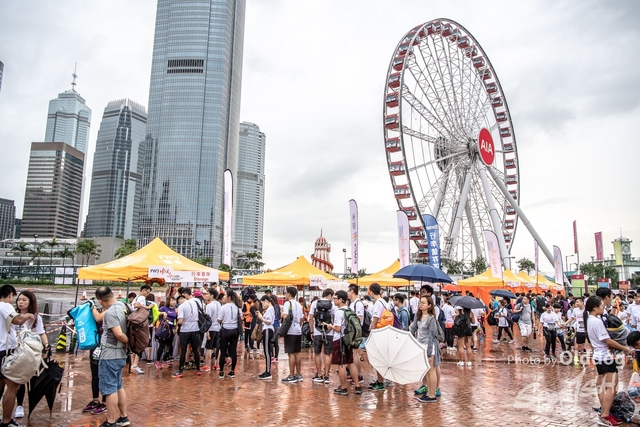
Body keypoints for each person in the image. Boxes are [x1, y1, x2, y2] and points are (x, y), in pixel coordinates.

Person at [586, 296, 633, 427]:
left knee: (604, 385)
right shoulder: (597, 322)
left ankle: (605, 411)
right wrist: (625, 348)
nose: (603, 307)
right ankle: (605, 415)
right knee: (611, 387)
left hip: (599, 355)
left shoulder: (589, 319)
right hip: (605, 356)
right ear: (595, 307)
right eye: (602, 305)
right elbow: (607, 340)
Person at [93, 286, 130, 427]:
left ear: (100, 301)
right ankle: (123, 417)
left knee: (109, 389)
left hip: (110, 354)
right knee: (118, 385)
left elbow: (119, 334)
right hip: (120, 354)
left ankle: (111, 421)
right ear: (113, 293)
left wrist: (128, 342)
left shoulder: (110, 313)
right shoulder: (124, 306)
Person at [12, 291, 49, 419]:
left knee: (25, 378)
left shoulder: (36, 318)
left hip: (30, 352)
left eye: (24, 300)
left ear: (30, 302)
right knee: (14, 378)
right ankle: (15, 405)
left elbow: (41, 332)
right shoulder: (13, 315)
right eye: (19, 300)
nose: (20, 302)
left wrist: (46, 346)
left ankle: (21, 405)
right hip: (14, 351)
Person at [327, 290, 361, 396]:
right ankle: (357, 386)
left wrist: (330, 326)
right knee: (350, 363)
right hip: (349, 339)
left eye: (335, 298)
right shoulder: (349, 310)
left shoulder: (339, 312)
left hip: (339, 339)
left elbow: (338, 329)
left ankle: (343, 387)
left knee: (341, 364)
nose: (334, 300)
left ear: (341, 300)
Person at [411, 295, 441, 403]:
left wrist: (429, 354)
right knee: (426, 371)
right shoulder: (418, 316)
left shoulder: (431, 318)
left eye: (423, 303)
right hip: (421, 345)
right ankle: (429, 392)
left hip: (430, 346)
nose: (421, 304)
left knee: (431, 370)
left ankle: (432, 395)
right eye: (420, 302)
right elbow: (413, 329)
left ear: (429, 305)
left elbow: (431, 337)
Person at [172, 287, 203, 378]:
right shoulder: (196, 302)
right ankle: (198, 369)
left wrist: (177, 327)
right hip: (195, 328)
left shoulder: (182, 306)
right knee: (195, 350)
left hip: (185, 330)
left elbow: (180, 321)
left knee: (183, 350)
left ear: (185, 295)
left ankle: (180, 370)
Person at [308, 288, 336, 384]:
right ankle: (327, 375)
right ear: (329, 295)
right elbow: (334, 318)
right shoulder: (332, 304)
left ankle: (319, 374)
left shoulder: (315, 303)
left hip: (317, 331)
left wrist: (311, 331)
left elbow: (310, 318)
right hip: (329, 331)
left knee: (317, 353)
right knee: (328, 353)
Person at [130, 285, 155, 375]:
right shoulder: (141, 298)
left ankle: (132, 365)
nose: (148, 294)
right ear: (143, 290)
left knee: (133, 345)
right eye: (147, 292)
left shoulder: (136, 297)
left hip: (133, 322)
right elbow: (138, 305)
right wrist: (149, 307)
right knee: (140, 344)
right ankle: (135, 365)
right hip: (139, 323)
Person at [281, 287, 304, 383]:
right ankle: (298, 374)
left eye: (286, 293)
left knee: (291, 353)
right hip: (298, 330)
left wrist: (282, 313)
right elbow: (301, 318)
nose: (285, 295)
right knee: (297, 353)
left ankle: (291, 375)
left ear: (289, 294)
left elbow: (286, 316)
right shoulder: (298, 304)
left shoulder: (287, 303)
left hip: (290, 331)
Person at [217, 290, 242, 379]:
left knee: (223, 351)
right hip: (235, 330)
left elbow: (219, 320)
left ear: (229, 297)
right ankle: (232, 371)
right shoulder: (237, 307)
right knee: (233, 350)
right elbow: (241, 317)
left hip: (225, 330)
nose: (224, 297)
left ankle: (221, 372)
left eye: (225, 295)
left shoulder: (223, 307)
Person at [368, 283, 388, 391]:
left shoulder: (378, 304)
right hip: (384, 332)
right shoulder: (384, 302)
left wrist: (371, 332)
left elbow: (375, 320)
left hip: (379, 333)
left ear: (371, 292)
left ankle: (380, 382)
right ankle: (380, 380)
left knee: (378, 359)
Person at [347, 284, 365, 385]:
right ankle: (354, 374)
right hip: (352, 330)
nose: (347, 293)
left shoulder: (358, 304)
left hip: (355, 331)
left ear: (352, 291)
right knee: (353, 353)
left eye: (348, 291)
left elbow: (359, 318)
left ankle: (358, 375)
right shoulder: (353, 303)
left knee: (355, 354)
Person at [256, 295, 275, 379]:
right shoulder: (270, 309)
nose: (262, 305)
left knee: (267, 351)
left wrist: (261, 318)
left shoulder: (270, 309)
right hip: (267, 330)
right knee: (266, 351)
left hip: (268, 330)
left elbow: (269, 322)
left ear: (266, 301)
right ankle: (267, 371)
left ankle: (268, 372)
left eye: (263, 303)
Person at [156, 296, 178, 367]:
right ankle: (158, 361)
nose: (173, 302)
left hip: (171, 329)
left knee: (168, 346)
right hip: (163, 329)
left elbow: (177, 319)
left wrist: (176, 328)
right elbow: (156, 313)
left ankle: (164, 360)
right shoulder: (164, 308)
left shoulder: (175, 310)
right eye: (172, 300)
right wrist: (162, 313)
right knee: (161, 345)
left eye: (174, 301)